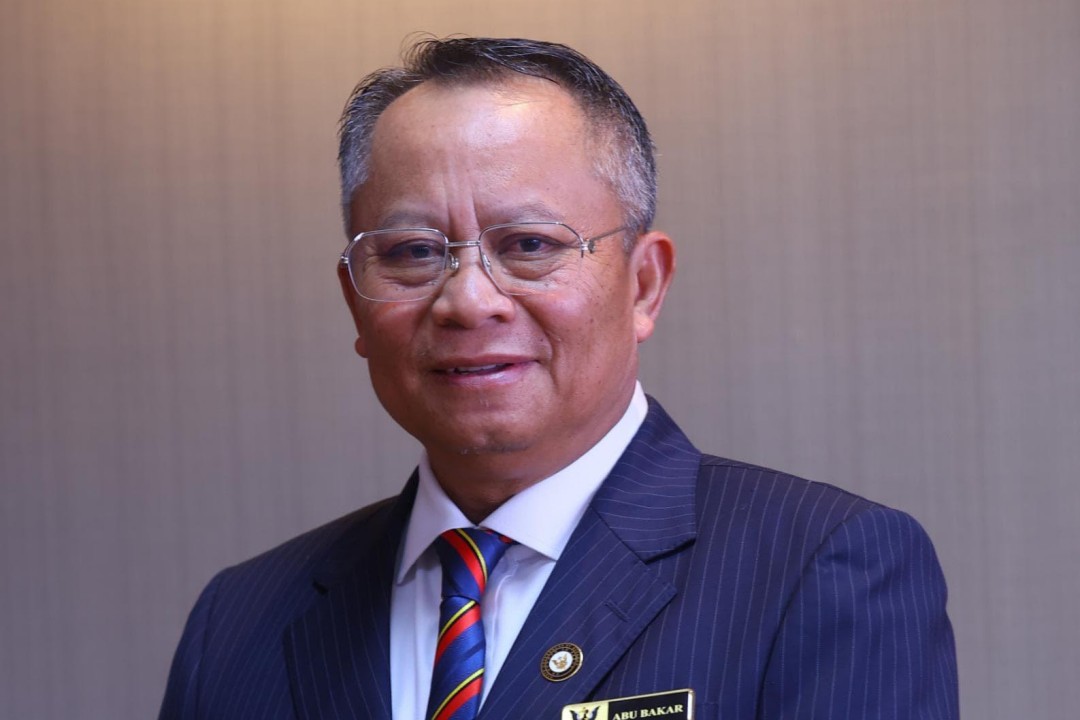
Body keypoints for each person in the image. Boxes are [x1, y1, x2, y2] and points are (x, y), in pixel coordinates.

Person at [159, 37, 958, 720]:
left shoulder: (818, 567)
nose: (468, 301)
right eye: (413, 252)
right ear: (355, 303)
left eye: (530, 245)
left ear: (644, 284)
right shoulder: (241, 620)